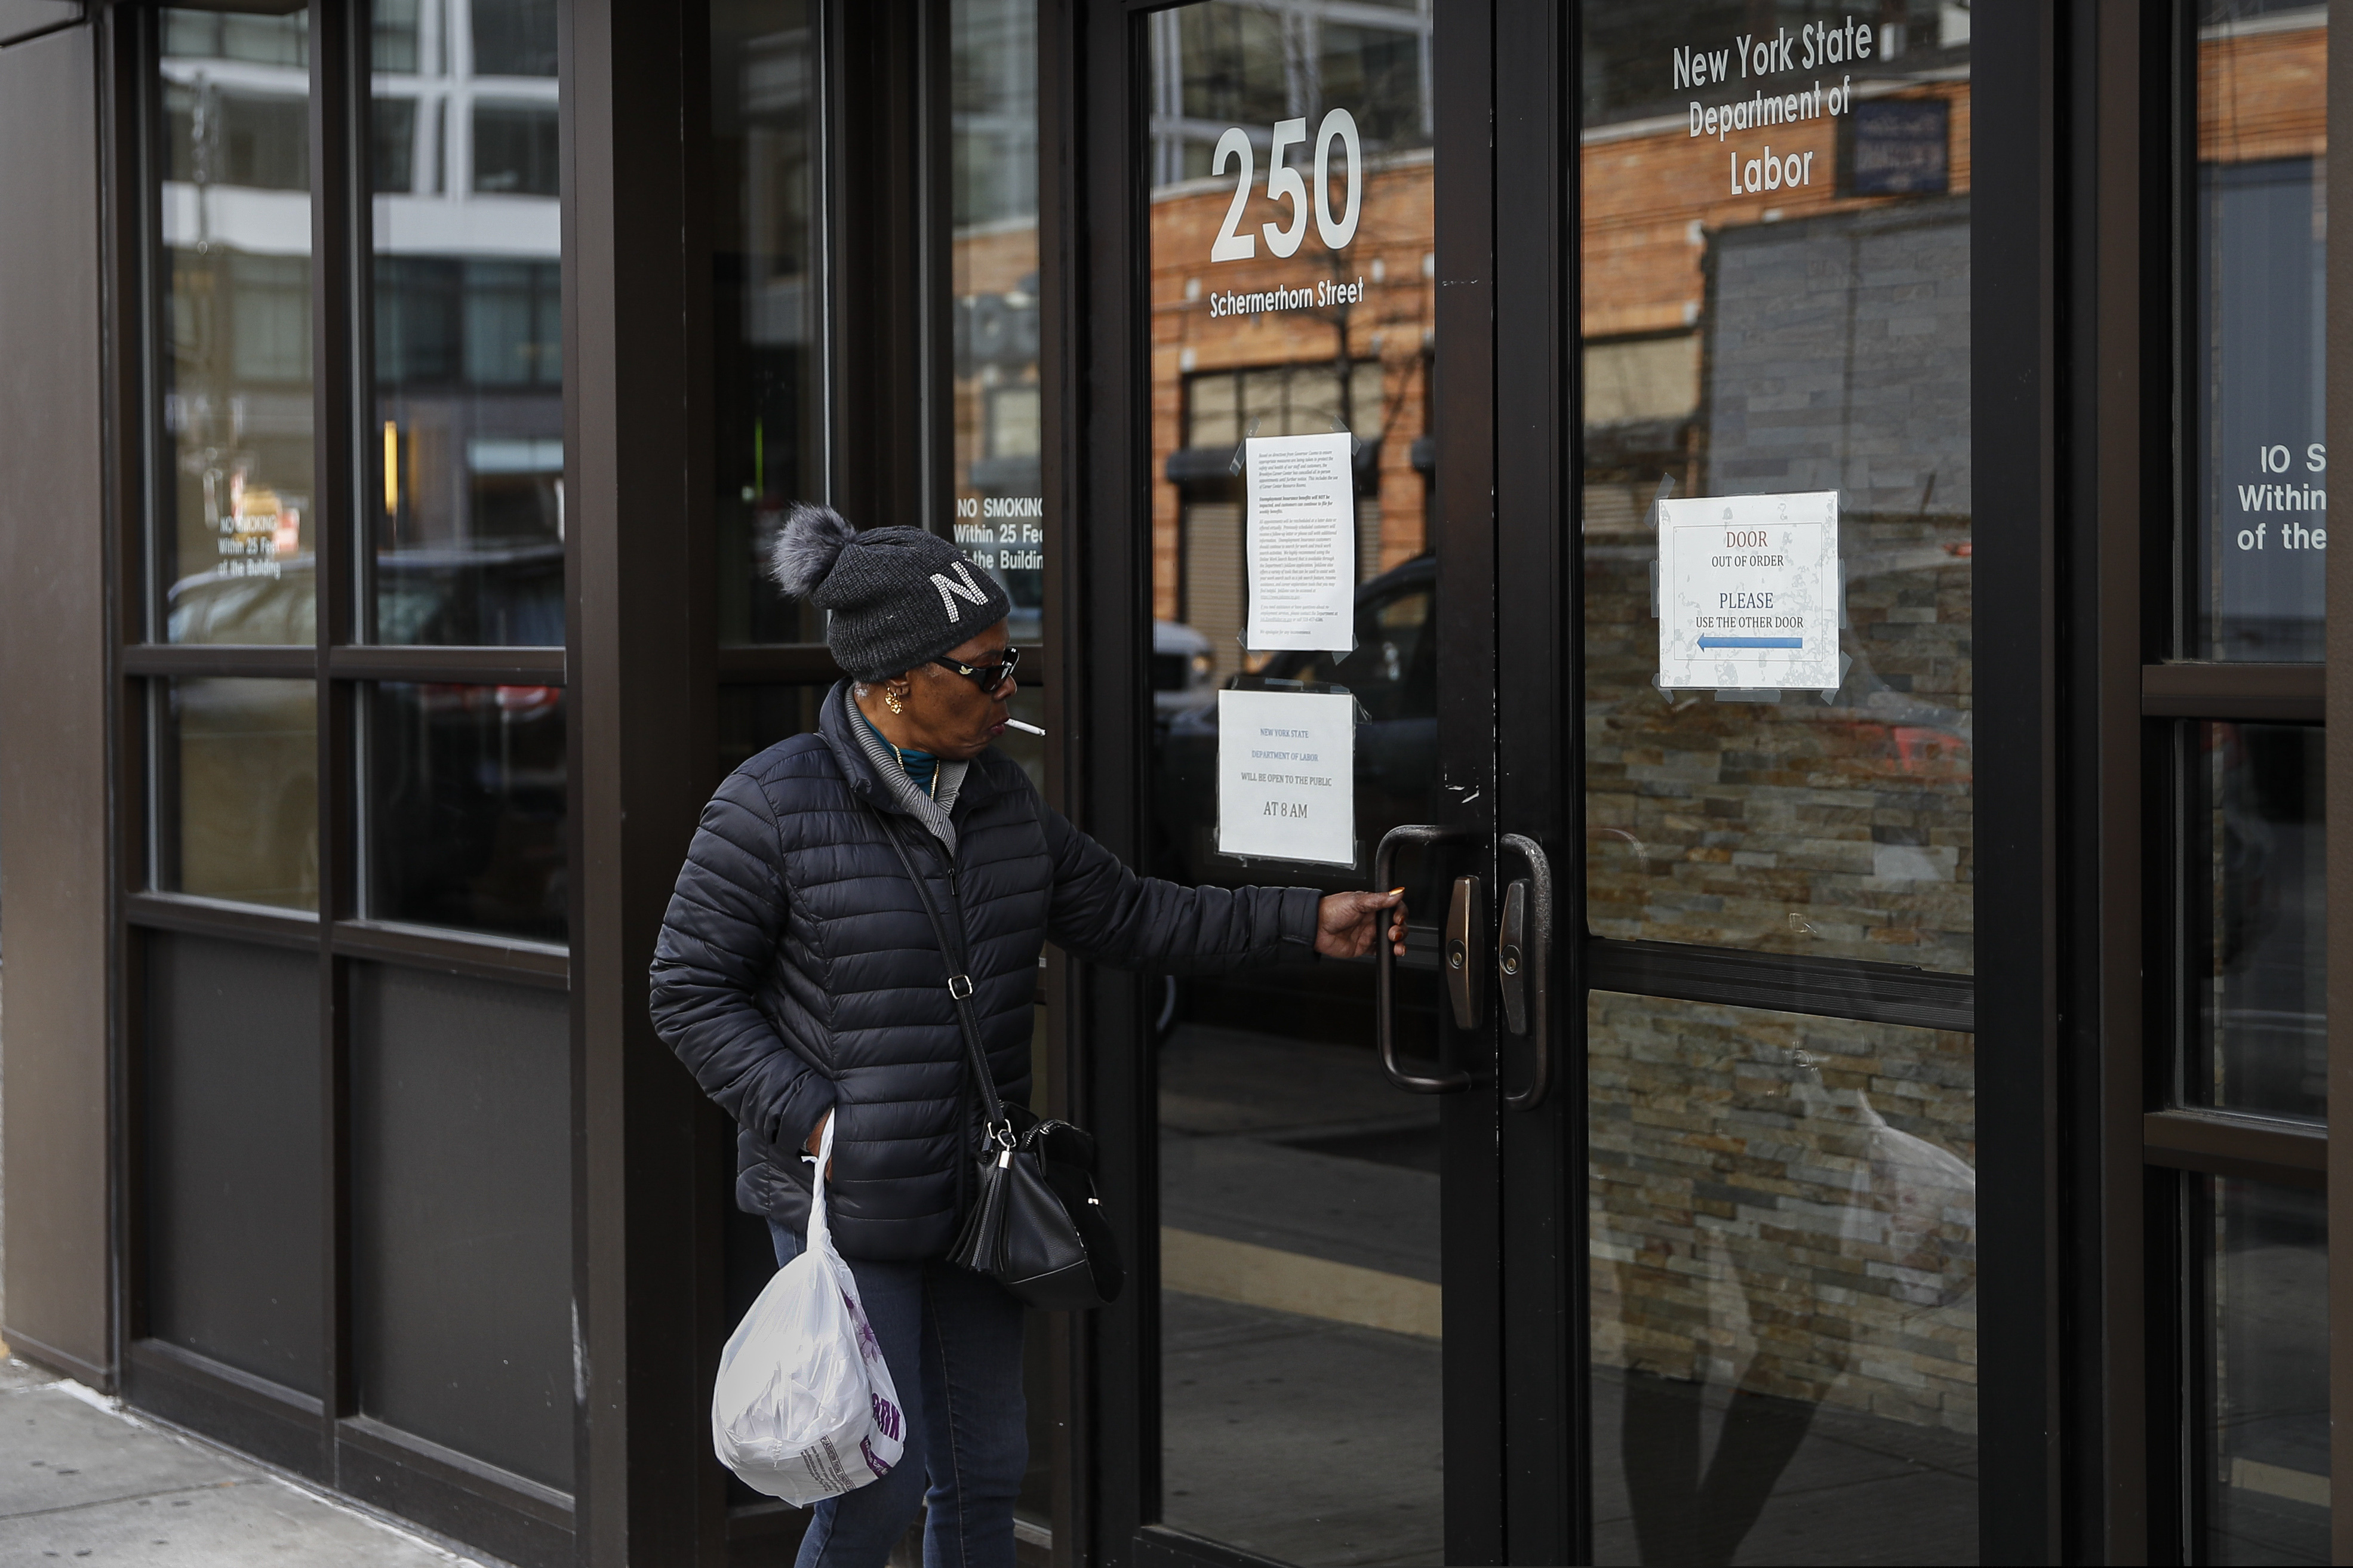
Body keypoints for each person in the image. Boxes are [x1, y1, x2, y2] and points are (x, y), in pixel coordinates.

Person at [648, 504, 1405, 1568]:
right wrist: (816, 1117)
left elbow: (1136, 913)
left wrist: (1303, 919)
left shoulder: (1000, 799)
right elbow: (687, 989)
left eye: (1016, 666)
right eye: (988, 669)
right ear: (898, 678)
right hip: (856, 1199)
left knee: (988, 1465)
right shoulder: (773, 803)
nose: (1012, 691)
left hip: (973, 1194)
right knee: (877, 1481)